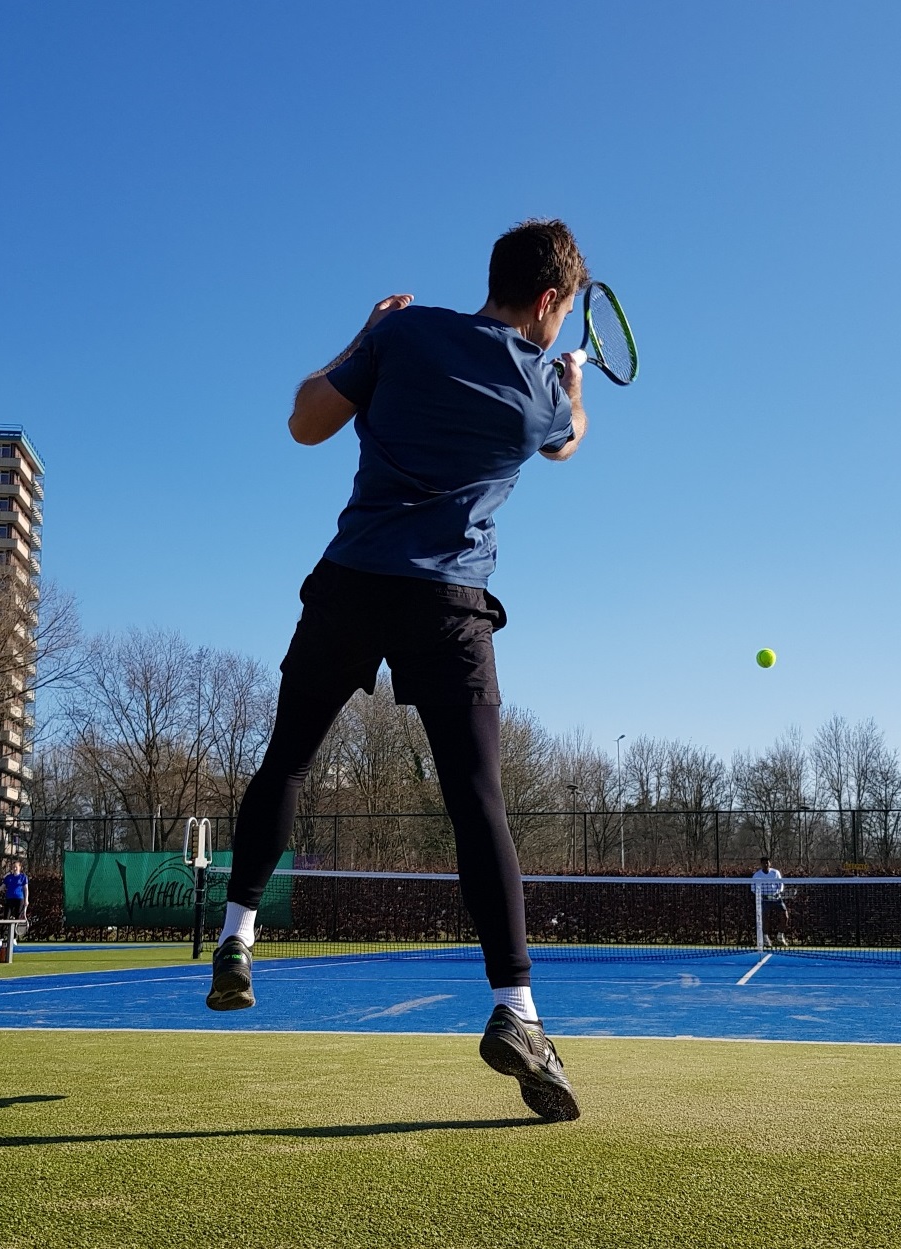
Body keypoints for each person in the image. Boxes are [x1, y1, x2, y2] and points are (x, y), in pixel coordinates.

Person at [206, 219, 591, 1123]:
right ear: (547, 304)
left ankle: (237, 935)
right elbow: (568, 440)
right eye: (563, 312)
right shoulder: (540, 391)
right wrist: (572, 384)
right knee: (475, 800)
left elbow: (305, 423)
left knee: (287, 759)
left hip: (349, 584)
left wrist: (364, 330)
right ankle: (516, 1010)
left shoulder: (402, 333)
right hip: (449, 605)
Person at [754, 856, 789, 948]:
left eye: (767, 863)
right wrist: (761, 894)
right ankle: (765, 938)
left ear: (770, 863)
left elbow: (780, 885)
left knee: (785, 916)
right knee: (765, 918)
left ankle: (780, 936)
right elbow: (753, 888)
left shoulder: (775, 873)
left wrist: (778, 892)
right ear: (761, 864)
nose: (766, 864)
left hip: (777, 899)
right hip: (764, 900)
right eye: (764, 863)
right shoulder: (757, 875)